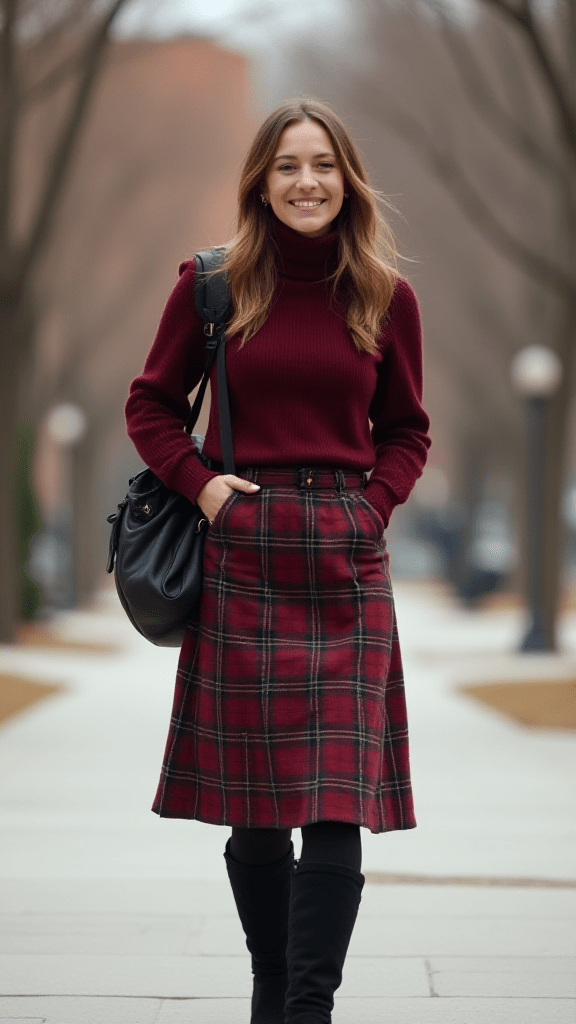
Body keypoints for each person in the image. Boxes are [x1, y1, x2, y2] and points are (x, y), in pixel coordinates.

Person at [125, 97, 431, 1024]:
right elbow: (149, 408)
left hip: (344, 558)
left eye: (325, 165)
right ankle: (270, 981)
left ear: (349, 179)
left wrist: (372, 507)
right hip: (244, 552)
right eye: (289, 165)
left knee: (337, 801)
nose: (308, 182)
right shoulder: (212, 287)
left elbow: (408, 432)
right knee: (257, 810)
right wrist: (207, 489)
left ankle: (306, 1007)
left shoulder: (385, 295)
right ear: (261, 180)